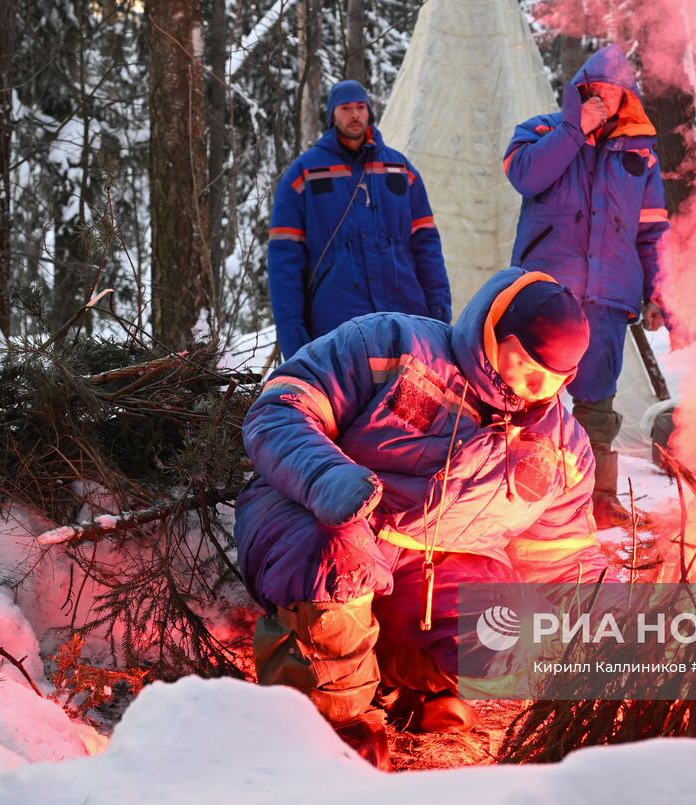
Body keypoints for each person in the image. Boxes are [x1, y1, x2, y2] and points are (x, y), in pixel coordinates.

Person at [235, 268, 608, 770]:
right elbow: (279, 410)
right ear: (493, 330)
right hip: (321, 516)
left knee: (512, 630)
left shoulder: (563, 449)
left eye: (551, 378)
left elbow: (565, 561)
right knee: (337, 556)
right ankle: (338, 726)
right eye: (520, 361)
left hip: (428, 572)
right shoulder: (390, 345)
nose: (529, 386)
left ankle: (405, 687)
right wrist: (328, 477)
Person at [502, 44, 671, 528]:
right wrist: (575, 130)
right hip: (547, 295)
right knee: (533, 396)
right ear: (580, 92)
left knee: (598, 399)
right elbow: (526, 176)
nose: (604, 100)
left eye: (614, 93)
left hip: (609, 296)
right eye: (595, 92)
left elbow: (652, 230)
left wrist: (657, 293)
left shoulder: (641, 157)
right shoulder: (541, 131)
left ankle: (598, 499)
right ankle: (529, 503)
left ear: (627, 99)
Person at [268, 79, 452, 360]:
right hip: (337, 319)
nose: (354, 114)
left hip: (406, 313)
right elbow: (284, 261)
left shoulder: (400, 170)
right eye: (345, 108)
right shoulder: (304, 175)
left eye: (360, 107)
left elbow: (426, 244)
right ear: (332, 114)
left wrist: (438, 303)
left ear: (369, 112)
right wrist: (291, 327)